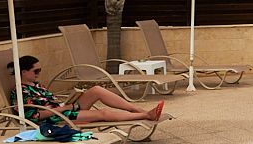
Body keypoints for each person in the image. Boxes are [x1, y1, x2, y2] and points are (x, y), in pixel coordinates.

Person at [11, 56, 163, 130]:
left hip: (65, 110)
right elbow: (34, 116)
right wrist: (63, 108)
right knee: (102, 114)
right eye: (35, 71)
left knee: (96, 90)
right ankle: (146, 115)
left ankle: (137, 109)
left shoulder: (37, 85)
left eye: (40, 70)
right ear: (23, 72)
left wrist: (70, 101)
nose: (38, 73)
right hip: (56, 119)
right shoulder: (19, 93)